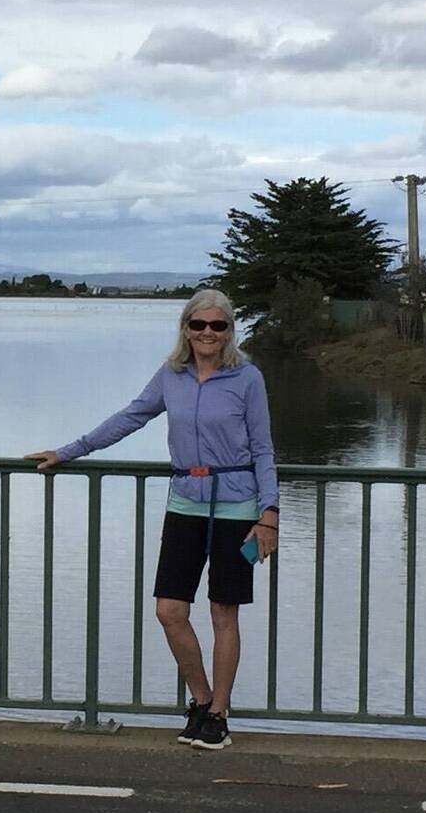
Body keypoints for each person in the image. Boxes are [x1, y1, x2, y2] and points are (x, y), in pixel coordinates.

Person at [27, 289, 278, 751]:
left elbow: (263, 448)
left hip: (237, 506)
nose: (207, 333)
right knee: (169, 610)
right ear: (185, 328)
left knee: (224, 611)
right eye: (198, 325)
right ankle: (200, 700)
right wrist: (68, 451)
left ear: (229, 332)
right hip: (185, 502)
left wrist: (269, 514)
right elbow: (130, 417)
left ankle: (219, 715)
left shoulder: (247, 378)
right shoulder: (172, 375)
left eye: (217, 326)